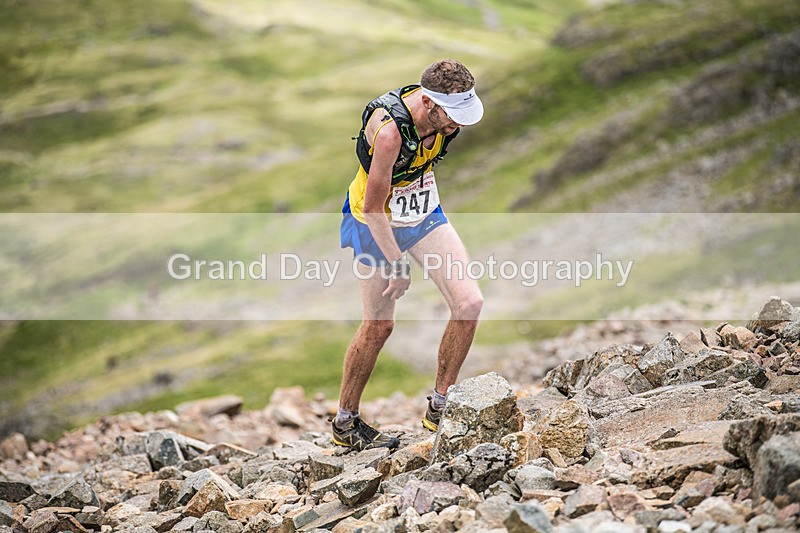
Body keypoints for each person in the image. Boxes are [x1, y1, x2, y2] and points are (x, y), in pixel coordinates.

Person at [333, 59, 485, 451]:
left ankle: (440, 408)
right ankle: (346, 422)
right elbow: (372, 207)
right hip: (374, 220)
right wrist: (396, 265)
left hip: (422, 212)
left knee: (469, 303)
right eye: (453, 116)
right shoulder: (388, 133)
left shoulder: (446, 120)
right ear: (430, 104)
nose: (460, 125)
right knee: (380, 326)